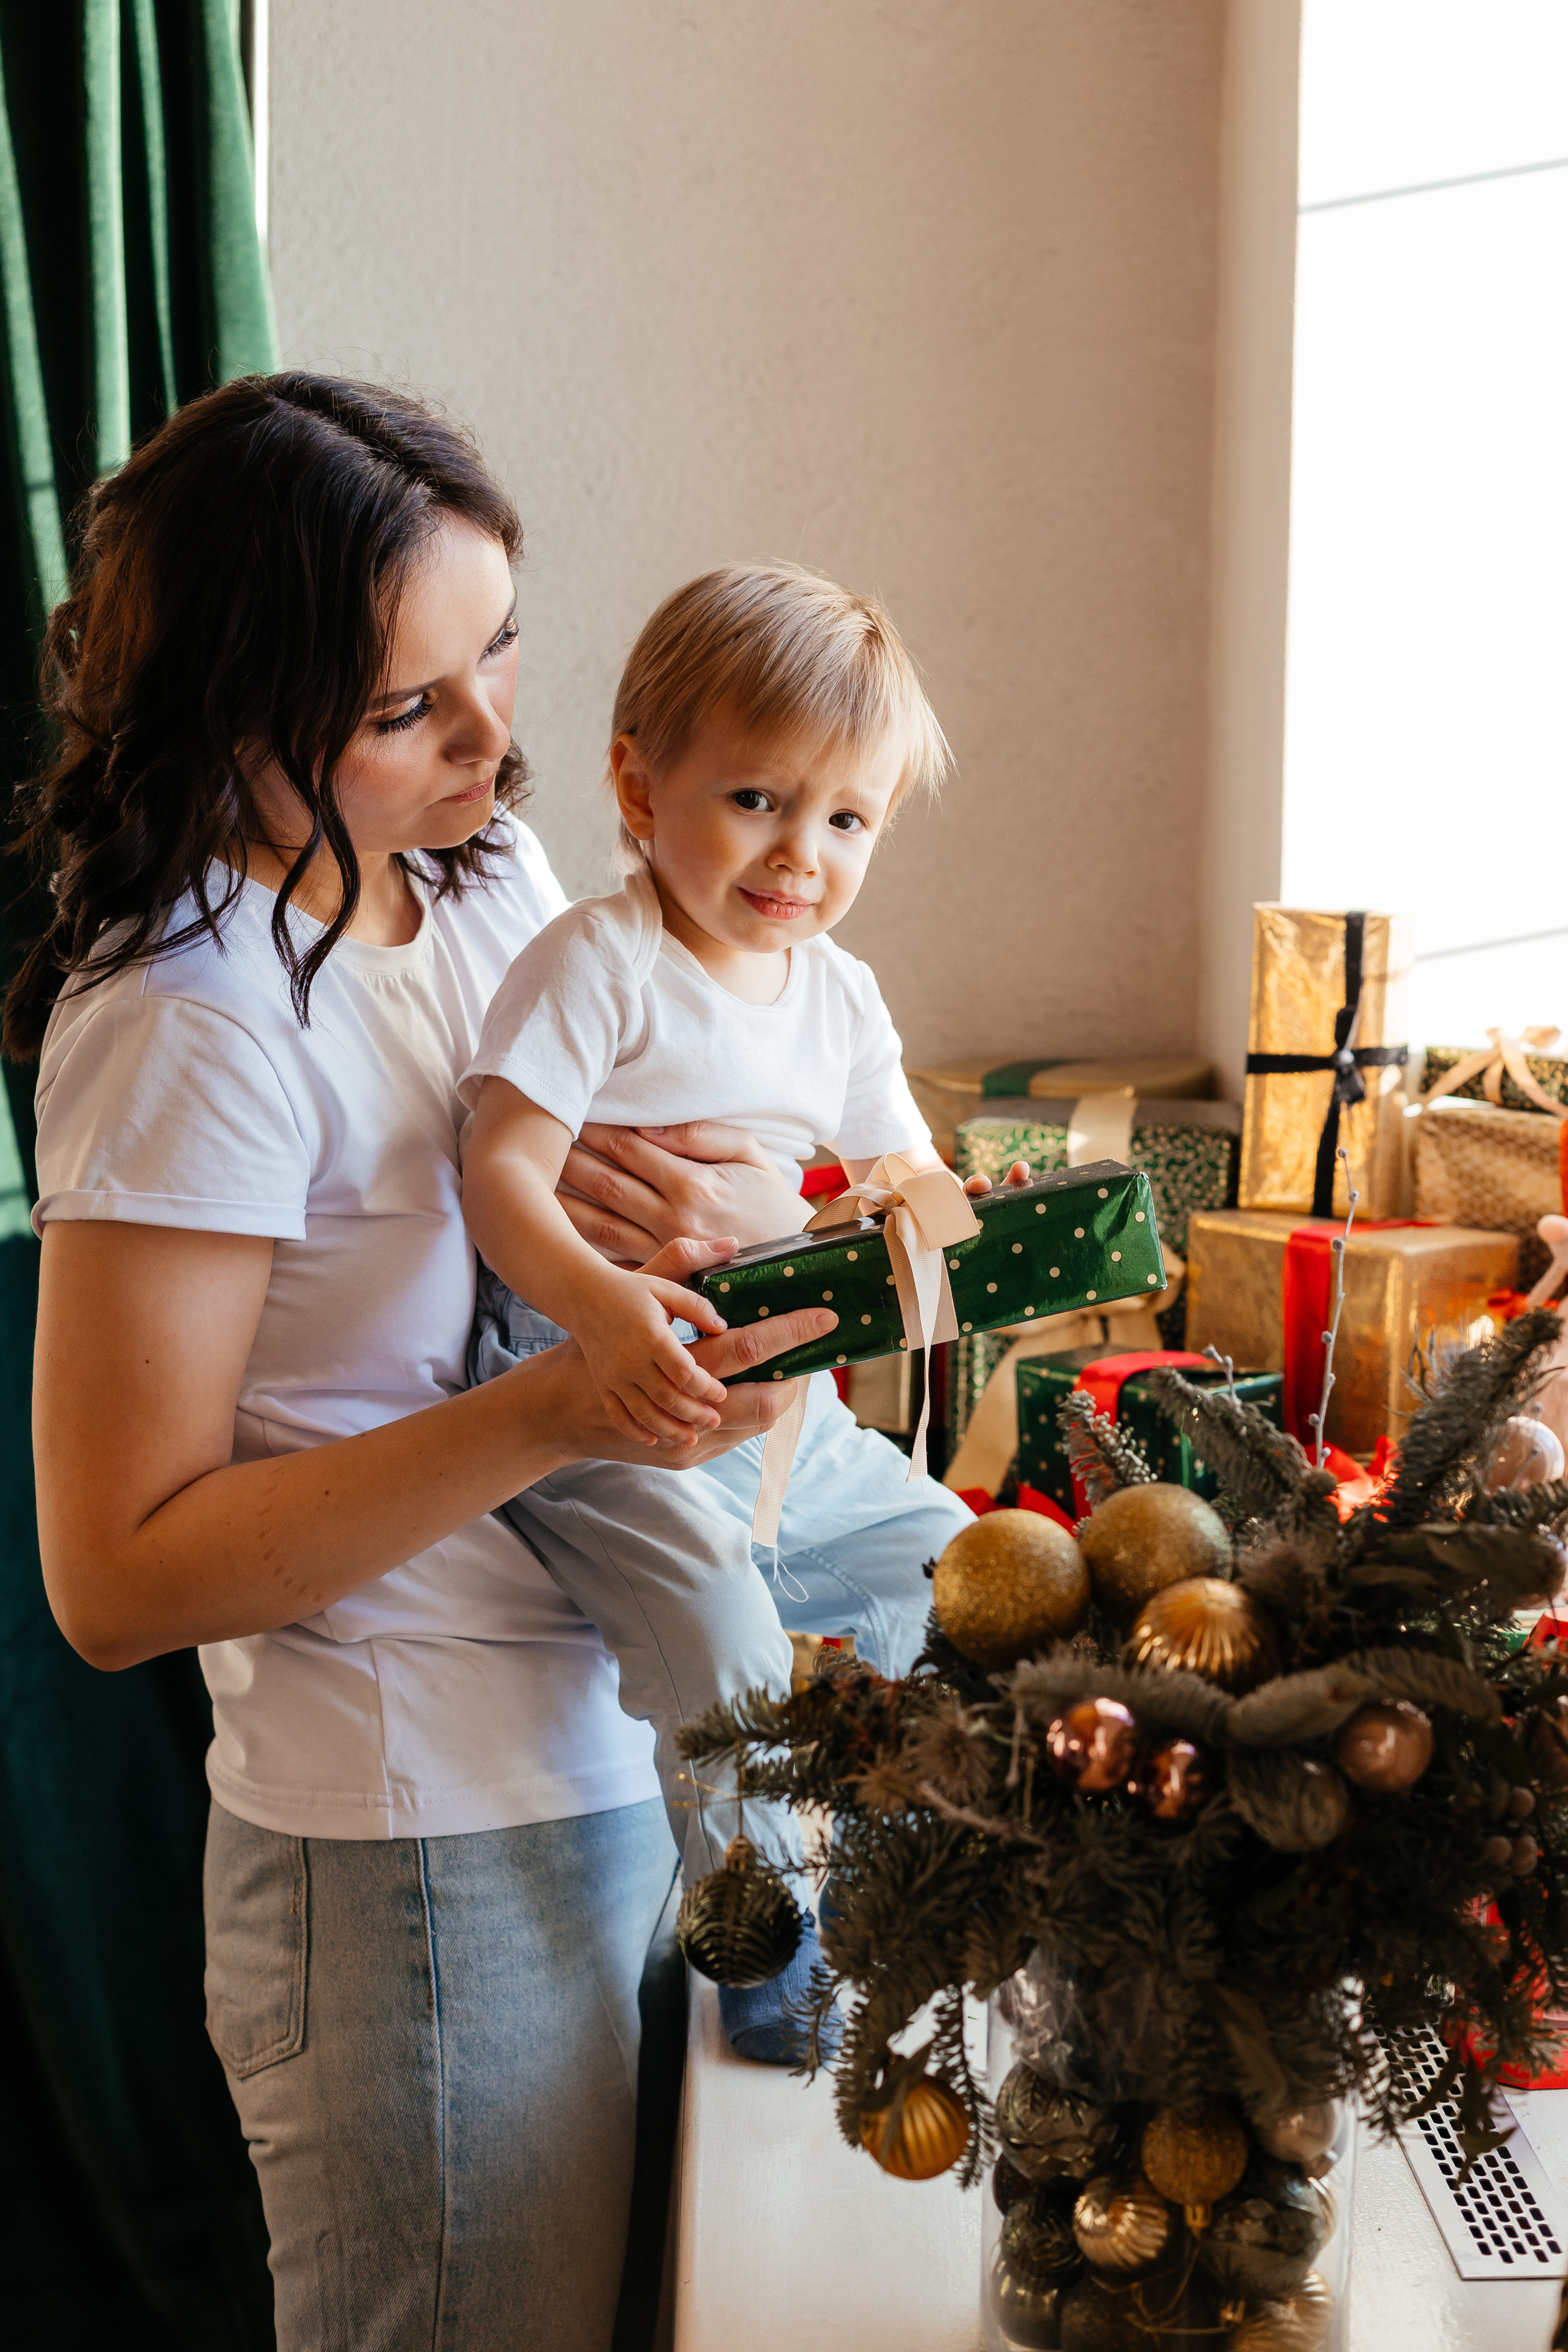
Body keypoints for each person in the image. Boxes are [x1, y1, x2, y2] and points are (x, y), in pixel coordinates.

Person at [7, 373, 841, 2352]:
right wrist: (558, 1402)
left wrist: (680, 1232)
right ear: (238, 720)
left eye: (499, 651)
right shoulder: (184, 1021)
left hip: (611, 1770)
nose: (496, 739)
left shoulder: (488, 885)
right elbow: (113, 1578)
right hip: (410, 1867)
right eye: (407, 712)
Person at [459, 567, 995, 2057]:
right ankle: (759, 1940)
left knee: (953, 1571)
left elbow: (919, 1210)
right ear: (637, 780)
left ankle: (893, 1873)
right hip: (592, 1409)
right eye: (756, 797)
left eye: (846, 820)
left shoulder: (837, 997)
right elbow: (497, 1172)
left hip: (783, 1422)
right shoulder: (596, 963)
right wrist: (603, 1309)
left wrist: (836, 1217)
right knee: (724, 1647)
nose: (797, 856)